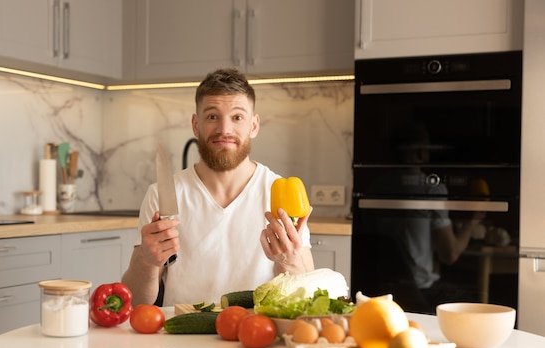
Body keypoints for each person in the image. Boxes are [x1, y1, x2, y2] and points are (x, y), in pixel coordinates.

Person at [121, 68, 315, 306]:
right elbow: (135, 303)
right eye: (212, 116)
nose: (224, 129)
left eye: (237, 117)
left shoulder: (279, 192)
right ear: (195, 124)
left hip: (256, 336)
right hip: (181, 338)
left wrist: (291, 260)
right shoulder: (162, 195)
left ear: (254, 126)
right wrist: (147, 261)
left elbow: (307, 301)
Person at [363, 121, 484, 312]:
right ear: (420, 153)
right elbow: (449, 254)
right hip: (418, 291)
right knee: (473, 295)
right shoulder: (431, 189)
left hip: (377, 289)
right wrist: (472, 222)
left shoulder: (373, 188)